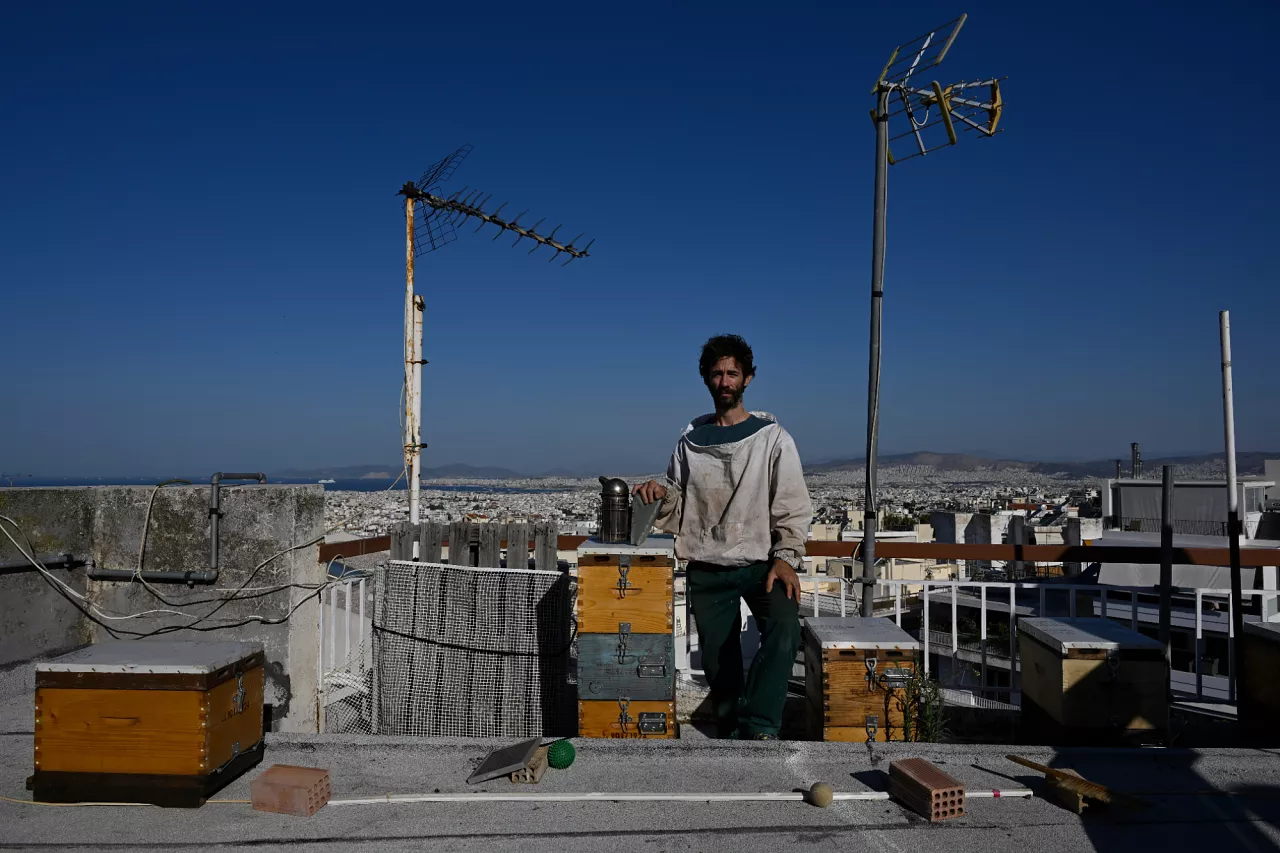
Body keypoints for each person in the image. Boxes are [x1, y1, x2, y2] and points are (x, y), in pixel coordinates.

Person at [633, 334, 811, 740]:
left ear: (748, 378)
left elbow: (791, 501)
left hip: (762, 563)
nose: (725, 381)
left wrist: (786, 555)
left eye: (732, 373)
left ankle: (761, 726)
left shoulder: (772, 438)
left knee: (785, 629)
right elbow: (679, 504)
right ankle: (732, 731)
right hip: (707, 566)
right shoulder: (689, 442)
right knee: (718, 662)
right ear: (706, 380)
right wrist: (660, 495)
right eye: (717, 374)